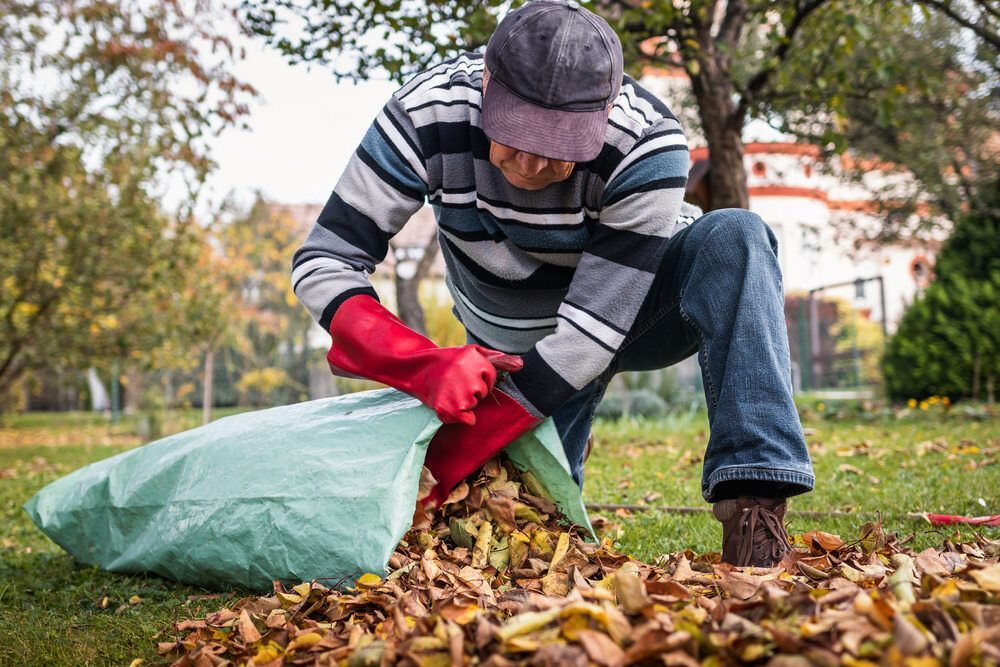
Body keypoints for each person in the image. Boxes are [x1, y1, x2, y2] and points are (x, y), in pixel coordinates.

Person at [291, 0, 814, 567]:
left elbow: (591, 331)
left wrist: (485, 432)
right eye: (517, 134)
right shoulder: (425, 110)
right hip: (510, 340)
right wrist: (417, 362)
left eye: (562, 144)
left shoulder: (650, 144)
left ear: (608, 107)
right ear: (487, 83)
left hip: (634, 307)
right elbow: (325, 261)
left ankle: (755, 504)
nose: (534, 163)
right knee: (523, 525)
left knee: (736, 236)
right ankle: (559, 447)